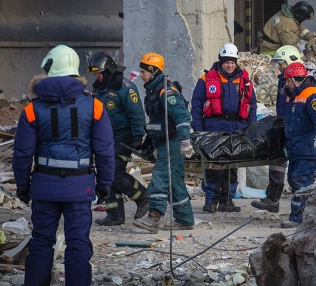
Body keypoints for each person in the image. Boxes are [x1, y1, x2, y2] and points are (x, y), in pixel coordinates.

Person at [12, 45, 115, 285]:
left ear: (49, 69)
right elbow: (105, 151)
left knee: (41, 241)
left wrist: (22, 186)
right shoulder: (95, 106)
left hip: (43, 188)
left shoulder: (31, 109)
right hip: (80, 188)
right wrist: (104, 185)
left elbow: (22, 154)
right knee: (78, 242)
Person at [191, 43, 258, 213]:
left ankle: (227, 200)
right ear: (221, 61)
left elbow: (251, 105)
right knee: (213, 166)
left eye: (233, 62)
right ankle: (211, 201)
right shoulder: (206, 80)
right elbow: (197, 105)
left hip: (237, 128)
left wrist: (252, 129)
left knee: (232, 166)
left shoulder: (245, 81)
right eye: (227, 62)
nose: (230, 65)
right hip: (213, 127)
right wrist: (199, 130)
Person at [133, 52, 195, 233]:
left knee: (160, 176)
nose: (141, 75)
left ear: (153, 71)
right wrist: (148, 145)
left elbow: (182, 115)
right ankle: (185, 218)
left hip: (173, 141)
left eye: (143, 72)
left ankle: (153, 217)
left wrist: (184, 139)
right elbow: (156, 122)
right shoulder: (153, 92)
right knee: (174, 181)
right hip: (164, 141)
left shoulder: (166, 91)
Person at [87, 52, 149, 226]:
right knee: (106, 175)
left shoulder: (125, 88)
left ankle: (143, 197)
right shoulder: (99, 87)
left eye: (99, 73)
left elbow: (137, 115)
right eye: (95, 74)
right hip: (104, 138)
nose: (97, 76)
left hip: (123, 138)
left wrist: (137, 138)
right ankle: (115, 215)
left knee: (114, 174)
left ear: (109, 70)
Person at [251, 45, 302, 213]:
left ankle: (299, 210)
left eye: (282, 64)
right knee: (277, 162)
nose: (279, 68)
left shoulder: (301, 83)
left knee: (298, 172)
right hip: (284, 126)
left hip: (296, 130)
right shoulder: (283, 81)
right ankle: (272, 198)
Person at [282, 62, 316, 228]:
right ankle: (305, 216)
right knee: (294, 179)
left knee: (300, 180)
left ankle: (298, 218)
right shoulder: (293, 95)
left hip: (309, 148)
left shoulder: (312, 95)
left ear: (297, 79)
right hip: (297, 147)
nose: (286, 84)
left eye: (288, 81)